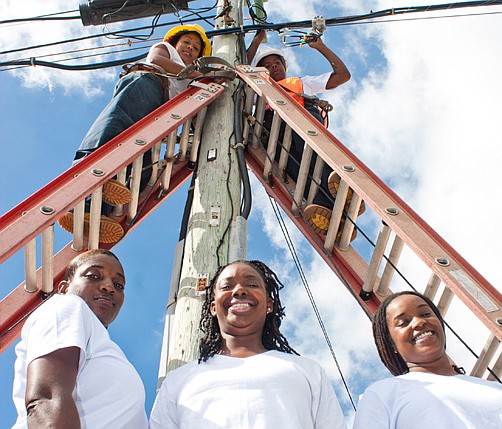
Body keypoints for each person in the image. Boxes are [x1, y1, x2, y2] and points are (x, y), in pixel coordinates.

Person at [58, 24, 211, 244]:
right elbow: (158, 61)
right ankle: (83, 199)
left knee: (144, 165)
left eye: (196, 48)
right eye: (186, 42)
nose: (190, 48)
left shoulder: (189, 78)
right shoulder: (166, 51)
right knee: (117, 128)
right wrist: (203, 75)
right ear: (176, 43)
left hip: (162, 109)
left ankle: (100, 211)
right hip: (148, 84)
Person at [149, 260, 347, 428]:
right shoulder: (179, 381)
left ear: (270, 304)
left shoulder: (307, 370)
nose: (239, 291)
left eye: (252, 285)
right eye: (227, 287)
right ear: (213, 307)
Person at [11, 249, 148, 429]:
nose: (109, 287)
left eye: (119, 285)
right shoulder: (68, 306)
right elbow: (47, 399)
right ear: (64, 288)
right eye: (93, 276)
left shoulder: (104, 348)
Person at [248, 30, 357, 236]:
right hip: (276, 133)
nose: (273, 68)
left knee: (313, 153)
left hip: (301, 118)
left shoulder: (302, 83)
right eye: (267, 67)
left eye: (276, 64)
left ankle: (343, 190)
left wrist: (321, 47)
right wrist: (254, 43)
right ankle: (332, 215)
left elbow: (342, 76)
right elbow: (238, 74)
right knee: (296, 168)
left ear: (284, 67)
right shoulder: (256, 92)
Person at [353, 291, 502, 428]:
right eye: (403, 323)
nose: (419, 322)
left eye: (425, 314)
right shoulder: (383, 393)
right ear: (392, 344)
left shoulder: (495, 388)